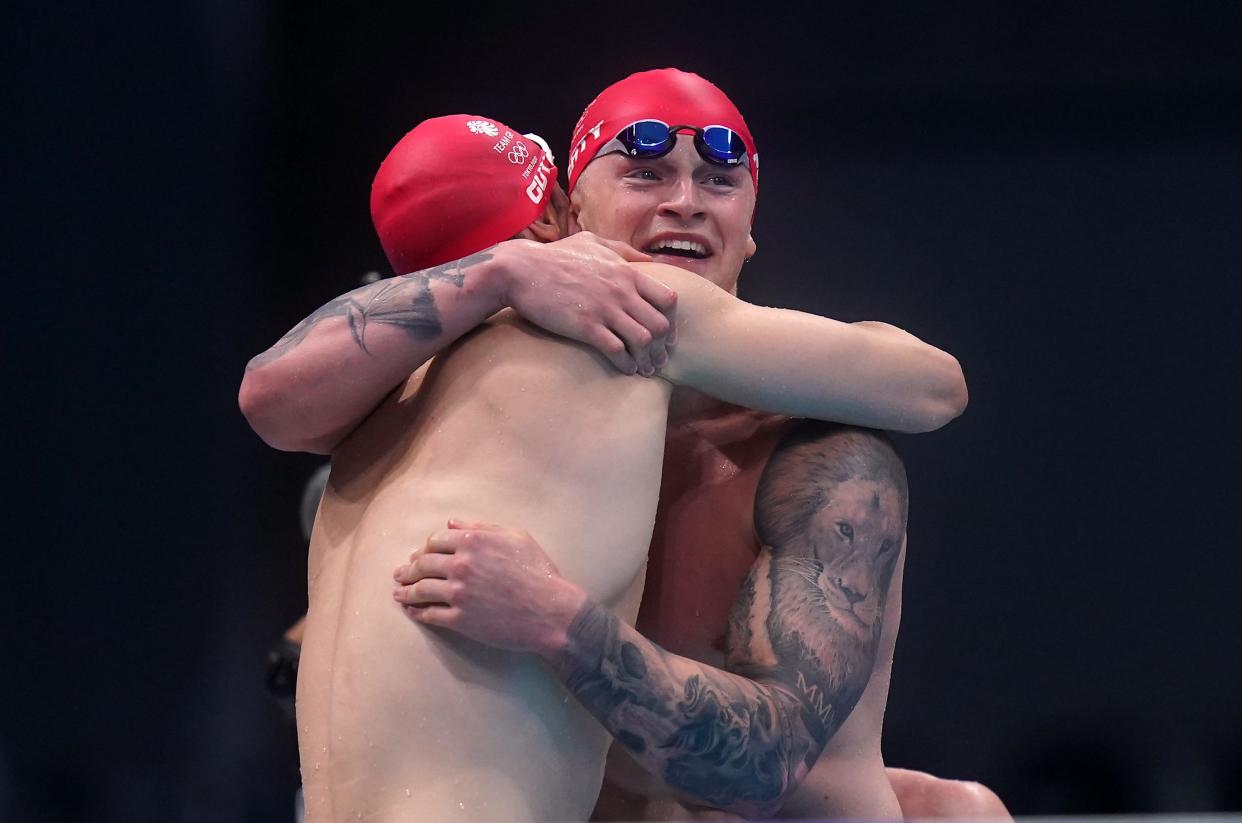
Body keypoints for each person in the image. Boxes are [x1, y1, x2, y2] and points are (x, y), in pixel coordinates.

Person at [237, 74, 985, 821]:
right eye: (645, 172)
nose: (685, 199)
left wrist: (560, 621)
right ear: (569, 212)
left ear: (753, 225)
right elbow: (267, 401)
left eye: (719, 180)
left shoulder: (812, 455)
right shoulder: (467, 385)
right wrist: (502, 270)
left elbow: (934, 386)